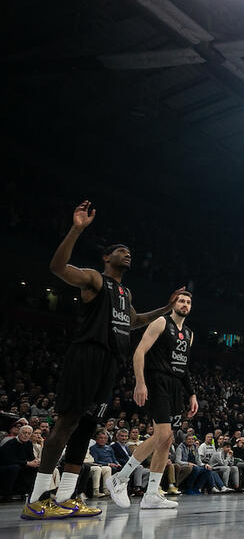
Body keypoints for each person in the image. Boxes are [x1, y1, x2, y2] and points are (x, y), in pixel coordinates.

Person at [22, 201, 176, 521]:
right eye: (121, 250)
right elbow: (58, 267)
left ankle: (65, 498)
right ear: (107, 257)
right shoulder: (95, 279)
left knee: (87, 428)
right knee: (67, 422)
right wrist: (76, 230)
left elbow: (132, 322)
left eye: (129, 251)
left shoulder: (126, 294)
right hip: (87, 355)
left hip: (110, 364)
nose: (128, 253)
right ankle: (36, 498)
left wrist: (165, 309)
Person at [109, 291, 199, 508]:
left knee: (167, 440)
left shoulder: (189, 334)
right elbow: (139, 352)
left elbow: (184, 368)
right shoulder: (161, 322)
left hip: (176, 387)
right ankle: (119, 478)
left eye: (188, 302)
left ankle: (151, 495)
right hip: (157, 381)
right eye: (181, 300)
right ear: (173, 303)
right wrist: (140, 382)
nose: (185, 304)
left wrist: (192, 393)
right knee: (162, 434)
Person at [0, 426, 38, 501]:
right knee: (15, 467)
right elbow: (9, 460)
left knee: (35, 467)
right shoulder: (11, 443)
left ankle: (27, 492)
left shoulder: (29, 443)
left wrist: (35, 462)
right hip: (5, 466)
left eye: (28, 433)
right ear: (19, 433)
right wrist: (27, 463)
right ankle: (7, 494)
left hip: (20, 464)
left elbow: (31, 457)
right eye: (24, 433)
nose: (26, 435)